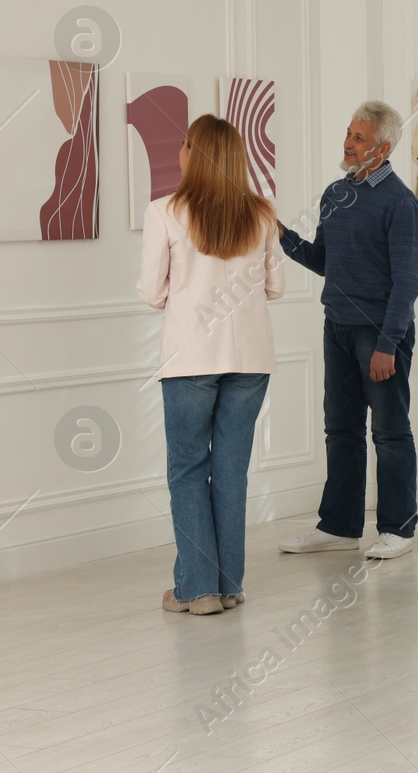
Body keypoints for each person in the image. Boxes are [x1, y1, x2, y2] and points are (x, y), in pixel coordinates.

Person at [137, 115, 284, 615]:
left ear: (194, 154)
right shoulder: (262, 213)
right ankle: (228, 586)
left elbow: (150, 292)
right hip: (251, 358)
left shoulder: (164, 211)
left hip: (189, 358)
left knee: (187, 470)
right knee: (231, 471)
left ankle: (196, 590)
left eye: (184, 144)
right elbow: (277, 287)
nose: (179, 150)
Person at [278, 101, 418, 560]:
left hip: (380, 334)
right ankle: (340, 526)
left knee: (389, 432)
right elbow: (325, 262)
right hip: (337, 329)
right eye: (348, 133)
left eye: (359, 138)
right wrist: (280, 233)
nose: (348, 143)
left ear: (382, 148)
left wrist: (388, 345)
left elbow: (406, 284)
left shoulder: (401, 203)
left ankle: (398, 528)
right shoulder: (334, 194)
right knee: (340, 429)